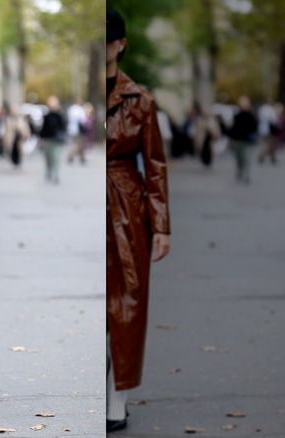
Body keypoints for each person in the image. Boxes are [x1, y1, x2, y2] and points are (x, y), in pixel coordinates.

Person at [106, 9, 171, 432]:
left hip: (128, 205)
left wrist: (161, 225)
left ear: (121, 44)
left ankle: (118, 398)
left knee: (127, 302)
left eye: (108, 40)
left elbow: (157, 166)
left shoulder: (140, 100)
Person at [228, 96, 258, 184]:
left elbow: (255, 128)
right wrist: (232, 138)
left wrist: (254, 136)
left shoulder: (251, 116)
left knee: (247, 157)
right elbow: (232, 128)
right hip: (238, 140)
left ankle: (246, 174)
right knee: (239, 157)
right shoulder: (237, 116)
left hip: (248, 141)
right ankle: (239, 170)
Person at [39, 96, 66, 184]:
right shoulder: (46, 116)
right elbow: (43, 129)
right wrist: (41, 139)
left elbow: (63, 127)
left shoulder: (60, 115)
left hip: (57, 140)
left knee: (56, 157)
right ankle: (49, 170)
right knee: (48, 157)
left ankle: (56, 175)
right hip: (47, 140)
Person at [66, 99, 87, 164]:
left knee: (79, 144)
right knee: (79, 144)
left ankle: (82, 157)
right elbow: (83, 120)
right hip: (79, 130)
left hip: (71, 129)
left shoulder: (71, 109)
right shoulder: (80, 110)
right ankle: (71, 156)